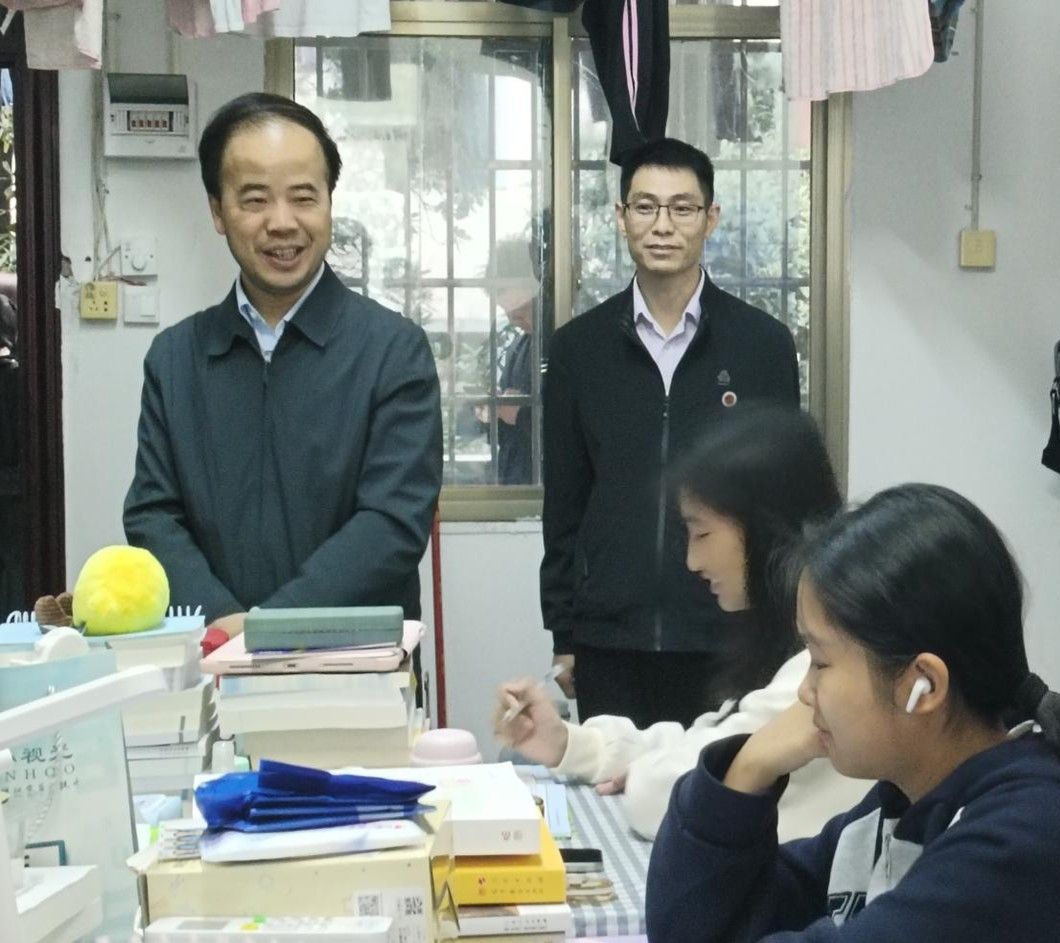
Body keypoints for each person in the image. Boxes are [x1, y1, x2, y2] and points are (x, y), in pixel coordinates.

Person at [646, 484, 1060, 943]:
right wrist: (748, 766)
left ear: (923, 685)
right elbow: (691, 927)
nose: (806, 692)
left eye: (820, 661)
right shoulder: (898, 807)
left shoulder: (1026, 839)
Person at [123, 93, 443, 636]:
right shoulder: (175, 360)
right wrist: (225, 624)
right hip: (212, 654)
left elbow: (392, 523)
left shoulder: (394, 351)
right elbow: (152, 515)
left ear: (329, 203)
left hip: (354, 662)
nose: (282, 222)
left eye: (303, 197)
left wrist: (267, 629)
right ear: (217, 210)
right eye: (254, 200)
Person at [497, 408, 867, 841]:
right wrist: (570, 744)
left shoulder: (817, 667)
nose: (692, 561)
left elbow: (667, 797)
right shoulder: (792, 642)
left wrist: (649, 773)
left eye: (702, 534)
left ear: (765, 527)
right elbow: (706, 741)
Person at [541, 137, 800, 727]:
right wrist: (564, 632)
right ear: (621, 216)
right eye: (645, 206)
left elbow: (781, 504)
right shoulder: (579, 349)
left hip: (728, 634)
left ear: (711, 218)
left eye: (682, 208)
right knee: (614, 776)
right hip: (610, 639)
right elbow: (565, 503)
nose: (663, 225)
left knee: (723, 781)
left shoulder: (762, 345)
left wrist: (778, 627)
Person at [477, 238, 538, 485]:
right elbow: (506, 432)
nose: (514, 321)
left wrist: (521, 414)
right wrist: (492, 414)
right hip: (516, 479)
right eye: (508, 313)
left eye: (521, 311)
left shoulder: (567, 344)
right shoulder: (520, 347)